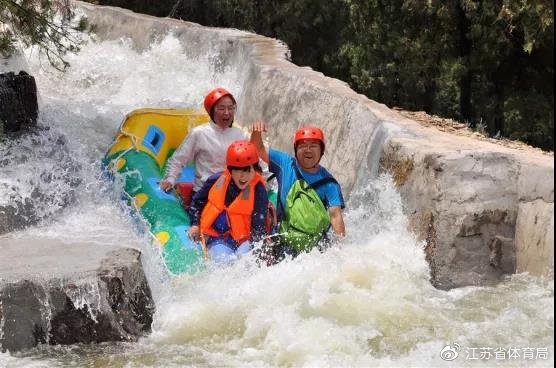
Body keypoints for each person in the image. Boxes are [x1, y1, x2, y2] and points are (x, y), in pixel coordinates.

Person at [250, 122, 345, 260]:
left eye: (313, 146)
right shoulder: (285, 163)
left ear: (321, 151)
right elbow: (257, 149)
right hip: (284, 240)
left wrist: (340, 251)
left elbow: (335, 216)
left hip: (315, 248)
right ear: (295, 149)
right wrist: (256, 132)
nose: (308, 150)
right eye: (303, 146)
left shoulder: (329, 183)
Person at [186, 140, 269, 263]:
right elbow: (197, 203)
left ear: (255, 169)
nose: (243, 176)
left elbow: (258, 226)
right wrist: (195, 225)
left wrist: (256, 248)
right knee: (223, 261)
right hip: (217, 238)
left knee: (244, 262)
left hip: (244, 240)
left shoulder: (258, 190)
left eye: (248, 170)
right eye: (239, 170)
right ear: (230, 170)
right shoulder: (216, 180)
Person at [160, 87, 247, 194]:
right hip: (204, 193)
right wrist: (170, 179)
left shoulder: (240, 135)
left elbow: (255, 165)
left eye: (231, 108)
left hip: (231, 193)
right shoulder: (199, 133)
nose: (227, 113)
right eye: (221, 108)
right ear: (211, 111)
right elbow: (178, 160)